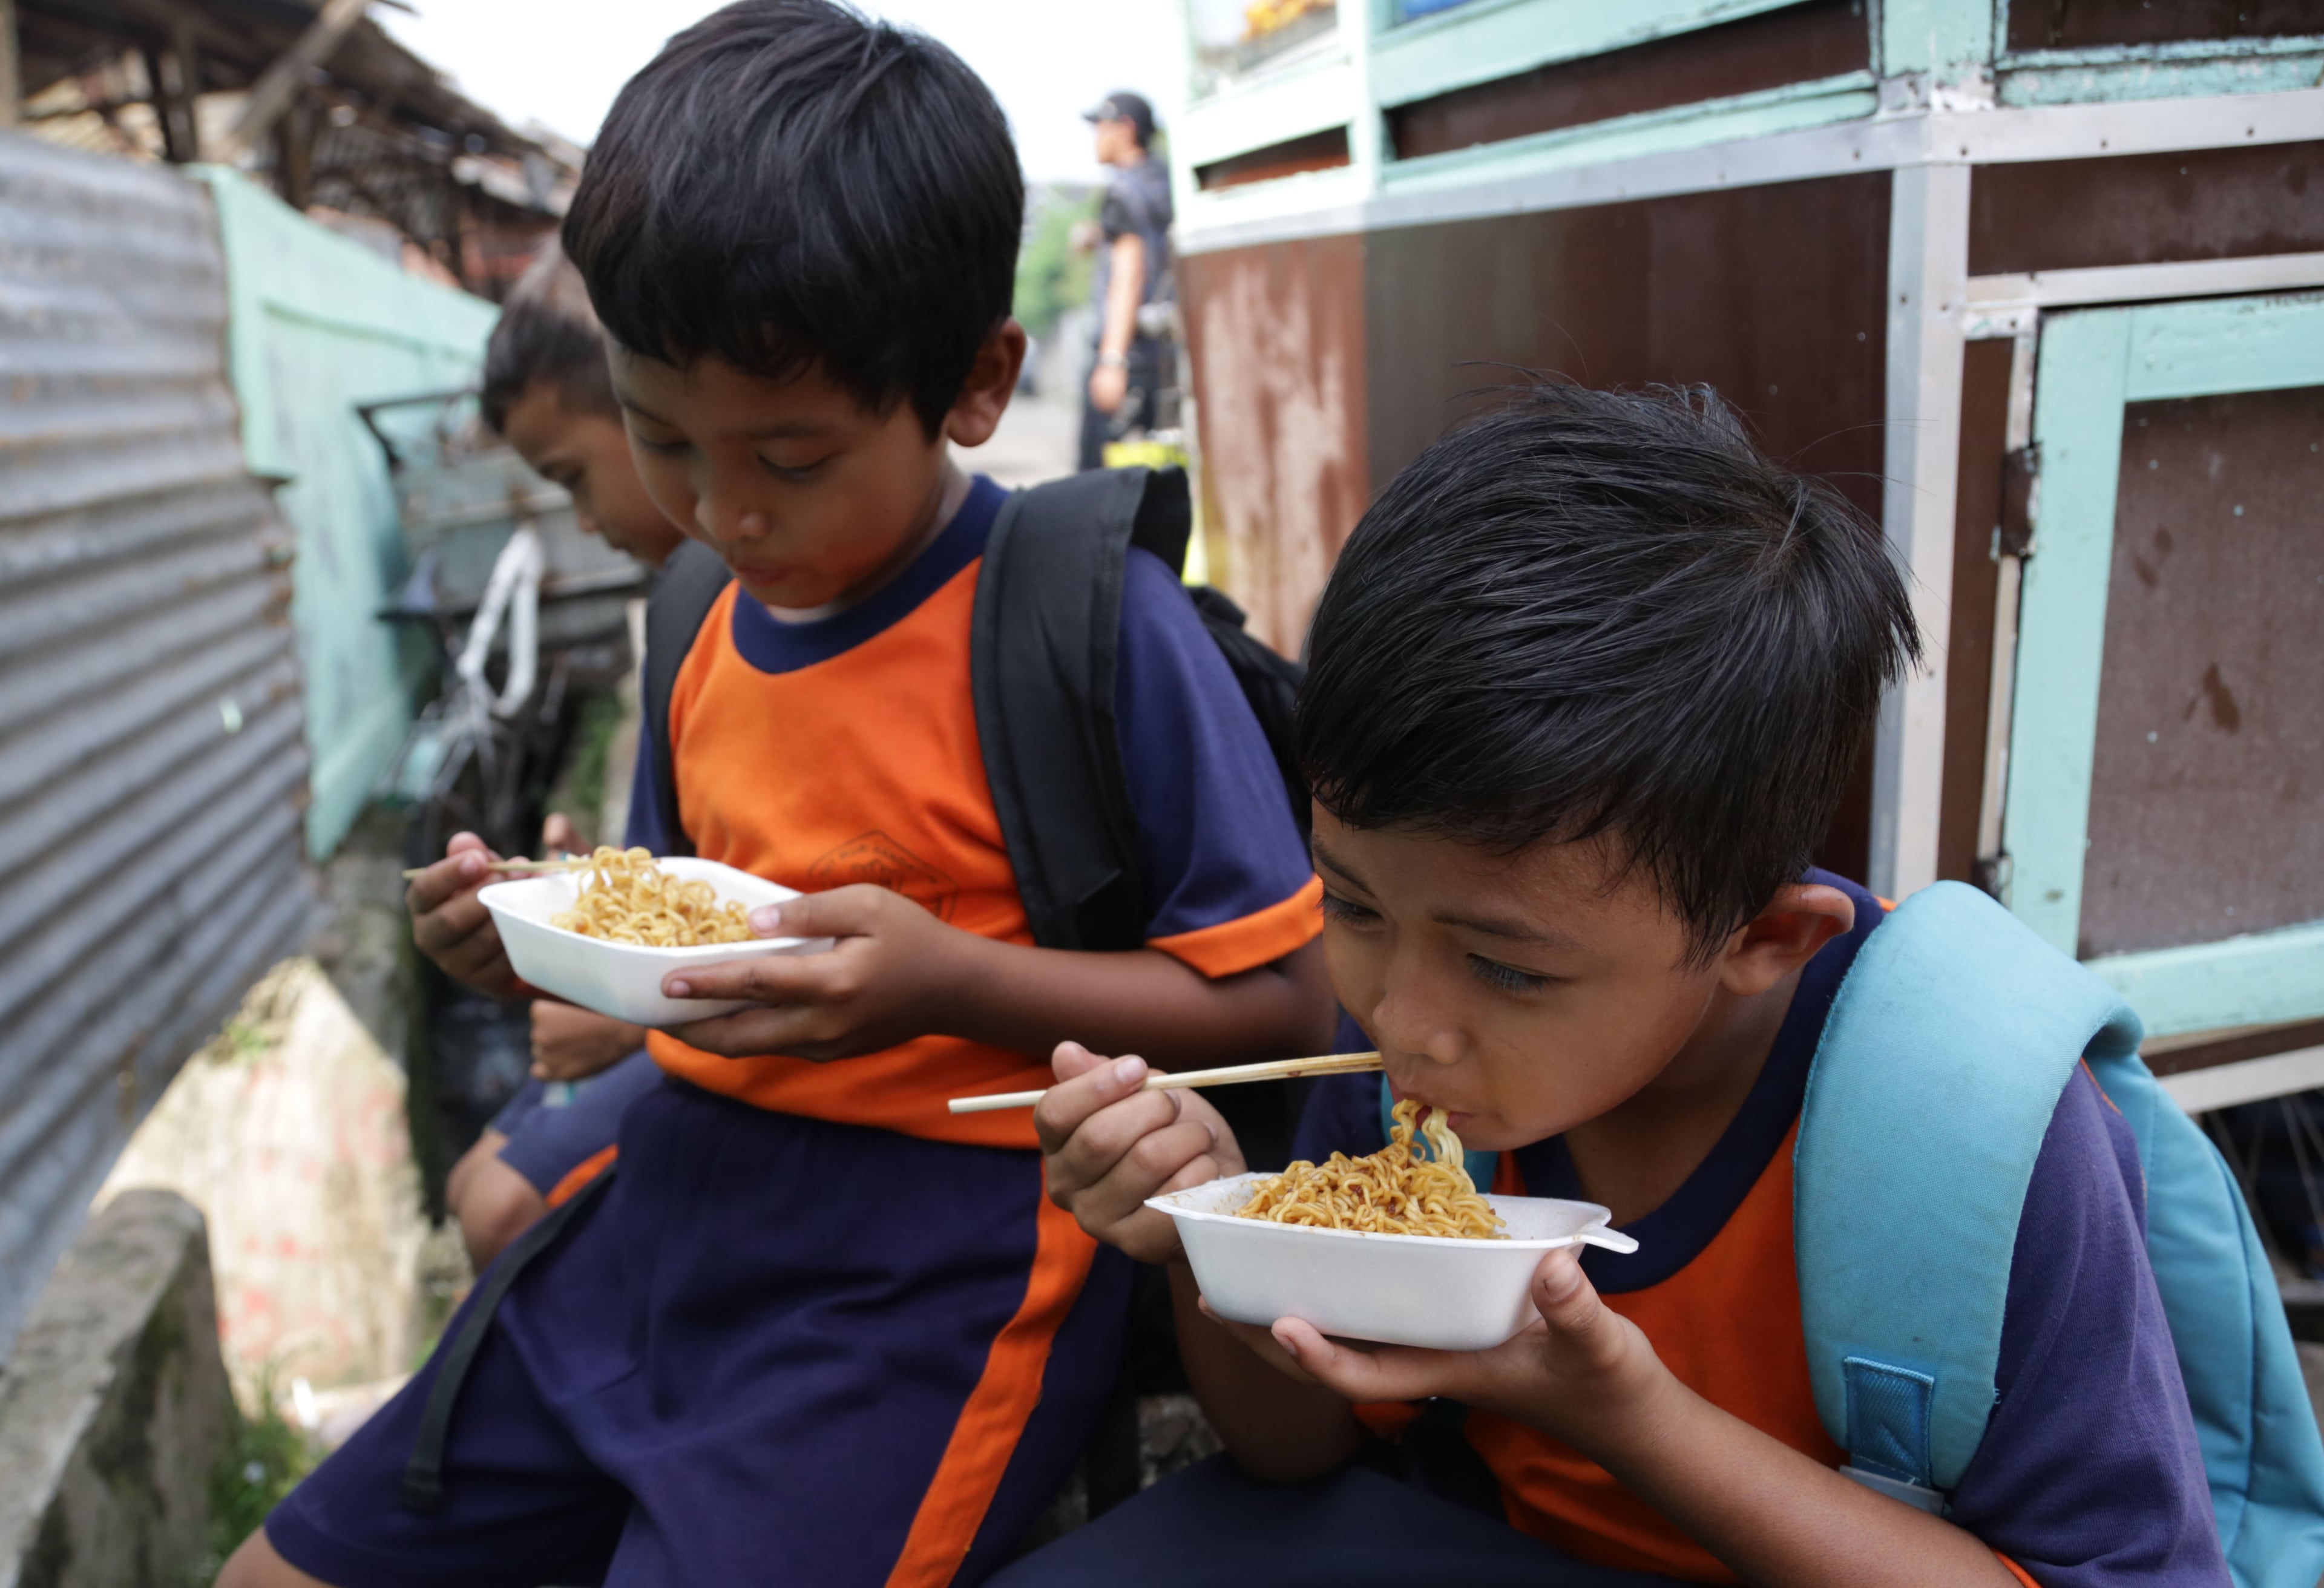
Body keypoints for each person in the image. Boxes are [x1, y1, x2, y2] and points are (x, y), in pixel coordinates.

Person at [220, 5, 1334, 1585]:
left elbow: (1293, 997)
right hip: (673, 1208)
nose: (723, 509)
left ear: (973, 383)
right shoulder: (694, 617)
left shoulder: (1087, 625)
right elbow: (689, 907)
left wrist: (950, 982)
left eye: (792, 457)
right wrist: (539, 944)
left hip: (934, 1271)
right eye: (663, 440)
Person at [1008, 385, 2230, 1586]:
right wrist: (1205, 1238)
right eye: (1356, 904)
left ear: (1761, 937)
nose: (1402, 1021)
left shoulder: (1979, 1131)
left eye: (1507, 966)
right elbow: (1304, 1447)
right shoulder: (1417, 1062)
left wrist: (1624, 1411)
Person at [439, 244, 690, 1271]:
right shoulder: (679, 614)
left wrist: (635, 1029)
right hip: (667, 1013)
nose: (583, 521)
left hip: (699, 1034)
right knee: (470, 1181)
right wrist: (588, 891)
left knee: (495, 1201)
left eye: (576, 478)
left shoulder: (731, 605)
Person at [1077, 90, 1173, 472]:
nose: (1096, 137)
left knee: (1096, 476)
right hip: (1163, 353)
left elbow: (1129, 275)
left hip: (1127, 358)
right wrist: (1100, 234)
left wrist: (1111, 360)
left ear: (1127, 129)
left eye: (1101, 127)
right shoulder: (1163, 180)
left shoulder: (1121, 192)